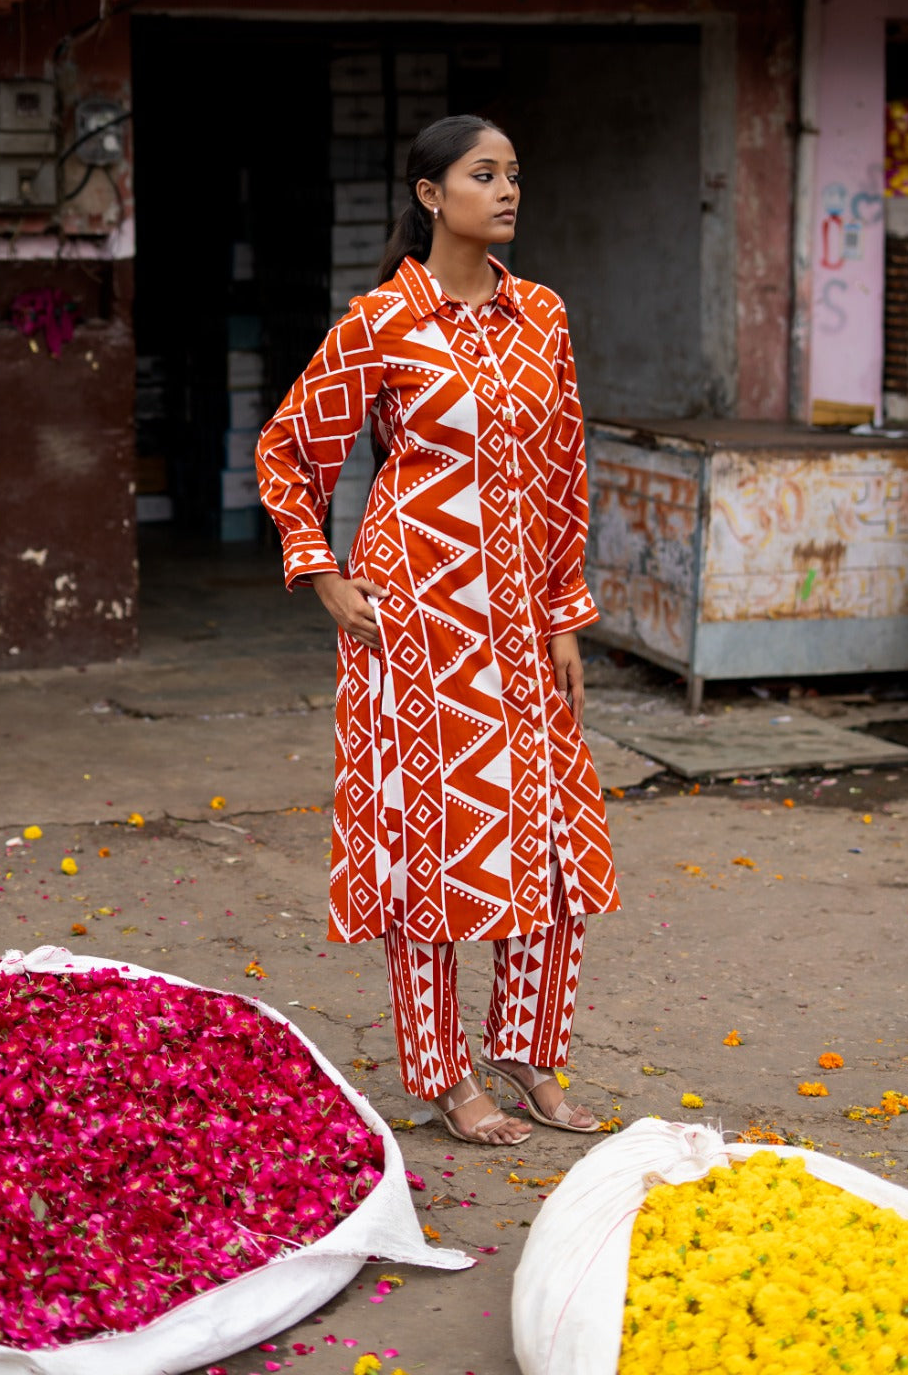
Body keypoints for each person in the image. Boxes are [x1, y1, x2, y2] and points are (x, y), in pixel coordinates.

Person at [256, 115, 620, 1147]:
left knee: (550, 844)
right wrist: (320, 572)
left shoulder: (540, 317)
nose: (506, 191)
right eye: (482, 174)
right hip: (413, 622)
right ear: (429, 193)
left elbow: (563, 477)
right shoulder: (381, 321)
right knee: (432, 848)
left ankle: (529, 1054)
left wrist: (563, 617)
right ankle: (442, 1071)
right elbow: (287, 451)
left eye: (514, 173)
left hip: (520, 630)